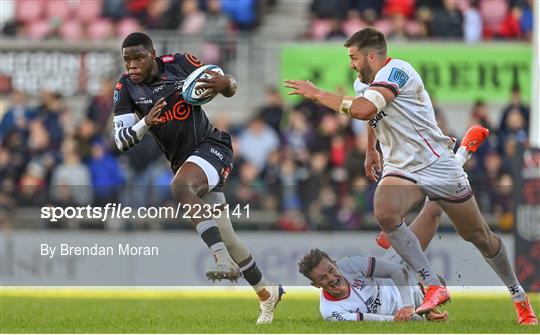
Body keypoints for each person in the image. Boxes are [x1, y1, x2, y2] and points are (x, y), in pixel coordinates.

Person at [284, 27, 537, 325]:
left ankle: (519, 297)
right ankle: (432, 284)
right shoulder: (363, 82)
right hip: (400, 167)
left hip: (434, 163)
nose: (351, 64)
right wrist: (371, 149)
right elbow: (371, 115)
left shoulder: (398, 71)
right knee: (386, 213)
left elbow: (365, 109)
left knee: (477, 236)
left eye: (354, 58)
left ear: (371, 56)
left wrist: (317, 93)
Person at [112, 32, 283, 324]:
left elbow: (227, 84)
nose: (132, 65)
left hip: (212, 147)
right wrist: (145, 122)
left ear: (152, 54)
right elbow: (120, 140)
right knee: (228, 237)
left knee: (180, 187)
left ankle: (220, 260)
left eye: (138, 58)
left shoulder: (180, 63)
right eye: (127, 60)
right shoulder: (125, 88)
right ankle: (268, 292)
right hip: (183, 161)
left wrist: (226, 83)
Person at [299, 127, 483, 322]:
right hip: (412, 298)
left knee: (433, 211)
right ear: (316, 286)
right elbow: (386, 322)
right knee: (442, 283)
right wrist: (421, 317)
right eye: (322, 278)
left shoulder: (348, 265)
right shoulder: (332, 312)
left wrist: (407, 307)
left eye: (330, 270)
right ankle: (399, 240)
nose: (331, 278)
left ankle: (462, 154)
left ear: (335, 264)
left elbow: (396, 272)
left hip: (399, 277)